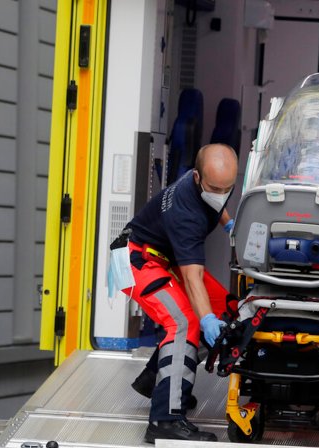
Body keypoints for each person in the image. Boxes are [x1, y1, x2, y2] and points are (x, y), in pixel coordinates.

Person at [110, 143, 238, 443]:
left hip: (163, 259)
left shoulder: (209, 180)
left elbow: (216, 203)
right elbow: (193, 276)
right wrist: (205, 319)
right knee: (185, 324)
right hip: (137, 260)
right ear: (197, 178)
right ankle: (165, 420)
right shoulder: (186, 215)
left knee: (229, 314)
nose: (221, 193)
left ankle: (155, 379)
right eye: (215, 188)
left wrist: (229, 223)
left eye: (227, 188)